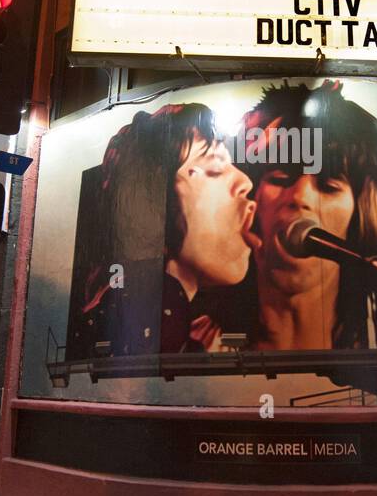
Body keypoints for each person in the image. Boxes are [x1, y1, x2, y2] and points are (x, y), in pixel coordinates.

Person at [78, 103, 258, 355]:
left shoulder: (189, 325)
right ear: (153, 201)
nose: (244, 182)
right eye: (215, 168)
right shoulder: (131, 318)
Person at [239, 81, 377, 350]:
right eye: (281, 177)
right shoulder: (199, 339)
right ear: (253, 201)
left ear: (358, 213)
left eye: (328, 186)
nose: (300, 198)